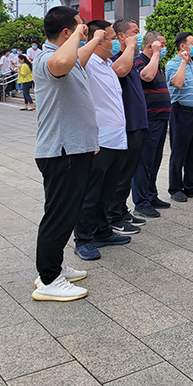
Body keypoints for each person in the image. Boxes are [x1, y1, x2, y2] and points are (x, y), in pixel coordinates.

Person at [31, 6, 98, 302]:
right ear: (67, 32)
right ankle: (48, 279)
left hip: (73, 149)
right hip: (62, 152)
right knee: (59, 216)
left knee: (65, 212)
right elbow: (61, 61)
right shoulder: (48, 58)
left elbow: (75, 59)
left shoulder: (68, 58)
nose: (84, 30)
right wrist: (77, 36)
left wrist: (94, 39)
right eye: (79, 27)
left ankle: (54, 268)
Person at [73, 19, 132, 260]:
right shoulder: (88, 63)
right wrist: (91, 37)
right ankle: (83, 239)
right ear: (99, 39)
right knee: (91, 193)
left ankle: (103, 231)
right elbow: (75, 60)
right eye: (111, 38)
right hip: (99, 140)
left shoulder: (107, 64)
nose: (114, 43)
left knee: (108, 191)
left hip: (116, 138)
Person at [106, 19, 149, 234]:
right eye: (134, 32)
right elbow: (120, 71)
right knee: (121, 175)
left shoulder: (130, 59)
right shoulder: (116, 60)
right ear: (121, 36)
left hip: (138, 123)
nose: (138, 36)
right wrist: (130, 47)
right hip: (127, 125)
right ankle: (113, 216)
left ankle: (122, 210)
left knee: (129, 172)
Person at [165, 32, 193, 203]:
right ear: (182, 46)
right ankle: (175, 188)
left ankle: (191, 186)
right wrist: (183, 62)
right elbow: (177, 83)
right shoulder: (173, 64)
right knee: (179, 152)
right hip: (181, 112)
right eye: (192, 43)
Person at [130, 31, 171, 217]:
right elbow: (146, 76)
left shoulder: (156, 64)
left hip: (161, 118)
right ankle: (141, 202)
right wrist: (155, 55)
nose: (163, 48)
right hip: (149, 119)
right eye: (161, 44)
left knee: (154, 160)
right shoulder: (139, 62)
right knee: (144, 162)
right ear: (150, 46)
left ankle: (151, 195)